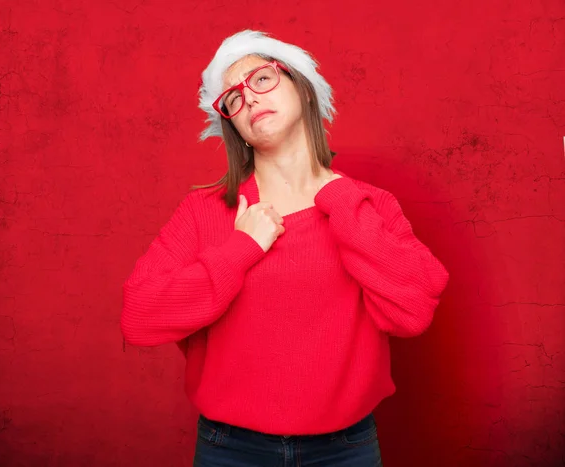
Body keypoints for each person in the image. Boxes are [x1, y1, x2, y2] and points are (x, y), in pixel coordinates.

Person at [121, 30, 449, 467]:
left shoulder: (369, 205)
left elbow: (413, 311)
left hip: (344, 450)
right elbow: (139, 317)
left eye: (261, 79)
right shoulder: (206, 211)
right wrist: (241, 249)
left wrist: (338, 198)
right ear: (233, 126)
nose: (249, 99)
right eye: (233, 99)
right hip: (231, 450)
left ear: (305, 90)